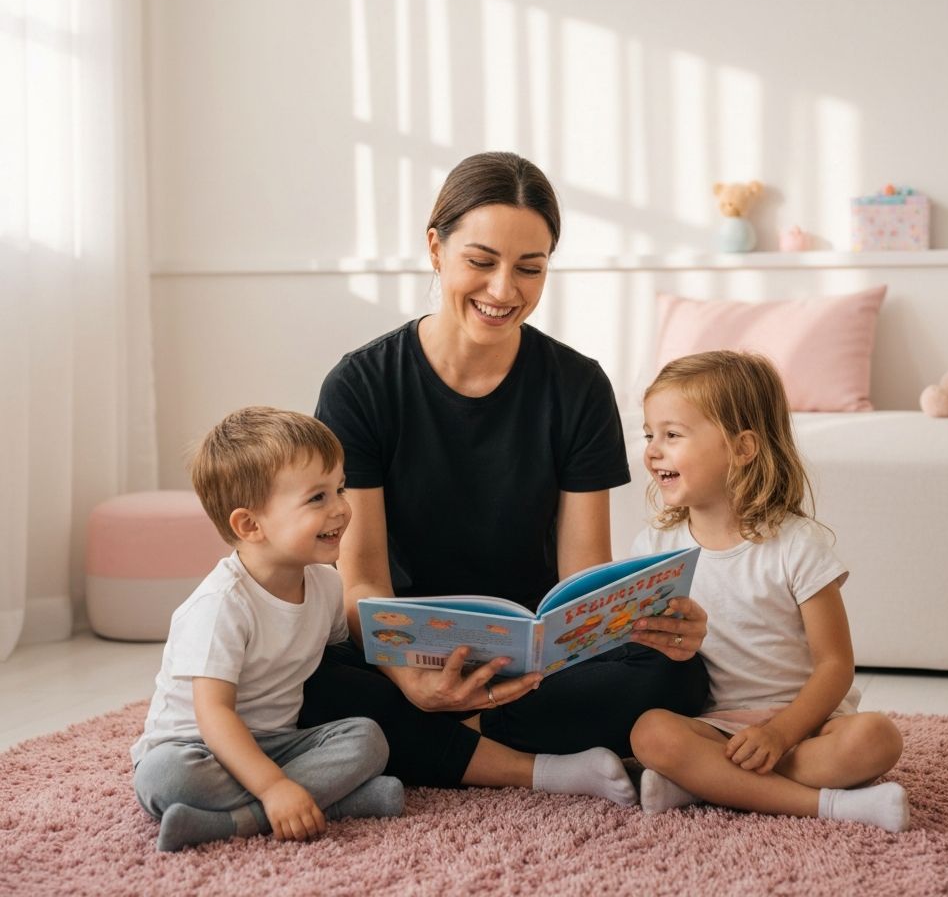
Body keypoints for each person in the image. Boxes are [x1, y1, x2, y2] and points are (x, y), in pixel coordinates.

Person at [301, 151, 709, 799]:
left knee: (680, 675)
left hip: (534, 660)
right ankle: (531, 762)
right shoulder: (361, 385)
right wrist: (410, 678)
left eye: (530, 268)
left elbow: (582, 574)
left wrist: (638, 623)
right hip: (407, 654)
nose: (503, 290)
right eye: (481, 261)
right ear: (436, 249)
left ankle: (452, 737)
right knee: (298, 682)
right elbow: (364, 579)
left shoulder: (577, 386)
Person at [628, 352, 909, 831]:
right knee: (650, 733)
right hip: (718, 726)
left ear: (742, 449)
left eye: (672, 435)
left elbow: (835, 664)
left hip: (808, 724)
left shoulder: (796, 545)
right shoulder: (655, 546)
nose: (653, 449)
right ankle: (830, 804)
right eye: (649, 433)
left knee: (877, 738)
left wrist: (781, 733)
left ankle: (706, 783)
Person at [131, 407, 404, 852]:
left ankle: (234, 821)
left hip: (278, 742)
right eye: (317, 498)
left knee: (368, 739)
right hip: (198, 748)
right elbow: (214, 715)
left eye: (339, 488)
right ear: (250, 525)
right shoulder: (221, 605)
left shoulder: (325, 583)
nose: (340, 508)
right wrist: (275, 787)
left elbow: (343, 657)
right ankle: (320, 804)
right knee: (165, 778)